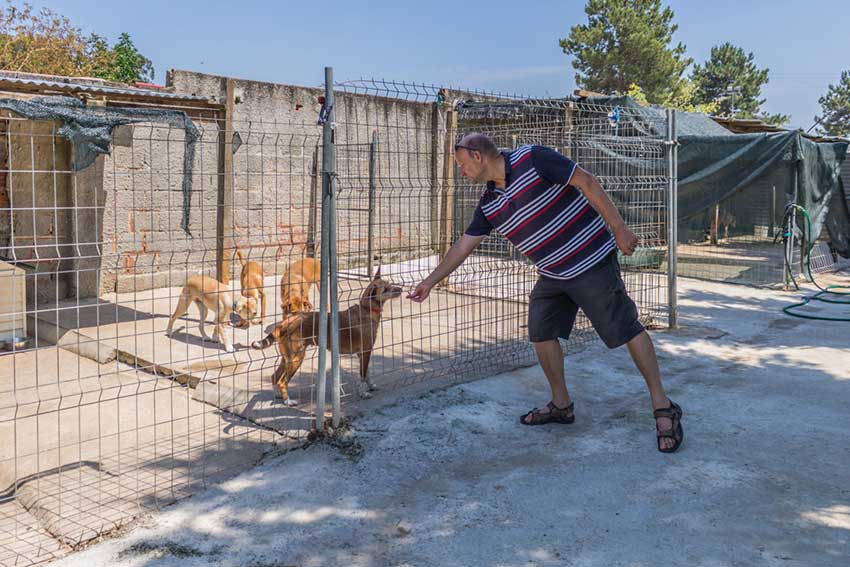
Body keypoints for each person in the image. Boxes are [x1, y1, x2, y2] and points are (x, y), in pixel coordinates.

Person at [407, 133, 683, 453]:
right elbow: (464, 245)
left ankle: (663, 406)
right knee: (540, 331)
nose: (460, 171)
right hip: (553, 274)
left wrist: (619, 227)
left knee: (625, 328)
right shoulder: (489, 203)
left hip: (590, 260)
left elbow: (587, 182)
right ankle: (561, 405)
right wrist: (430, 281)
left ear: (478, 155)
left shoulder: (533, 159)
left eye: (461, 164)